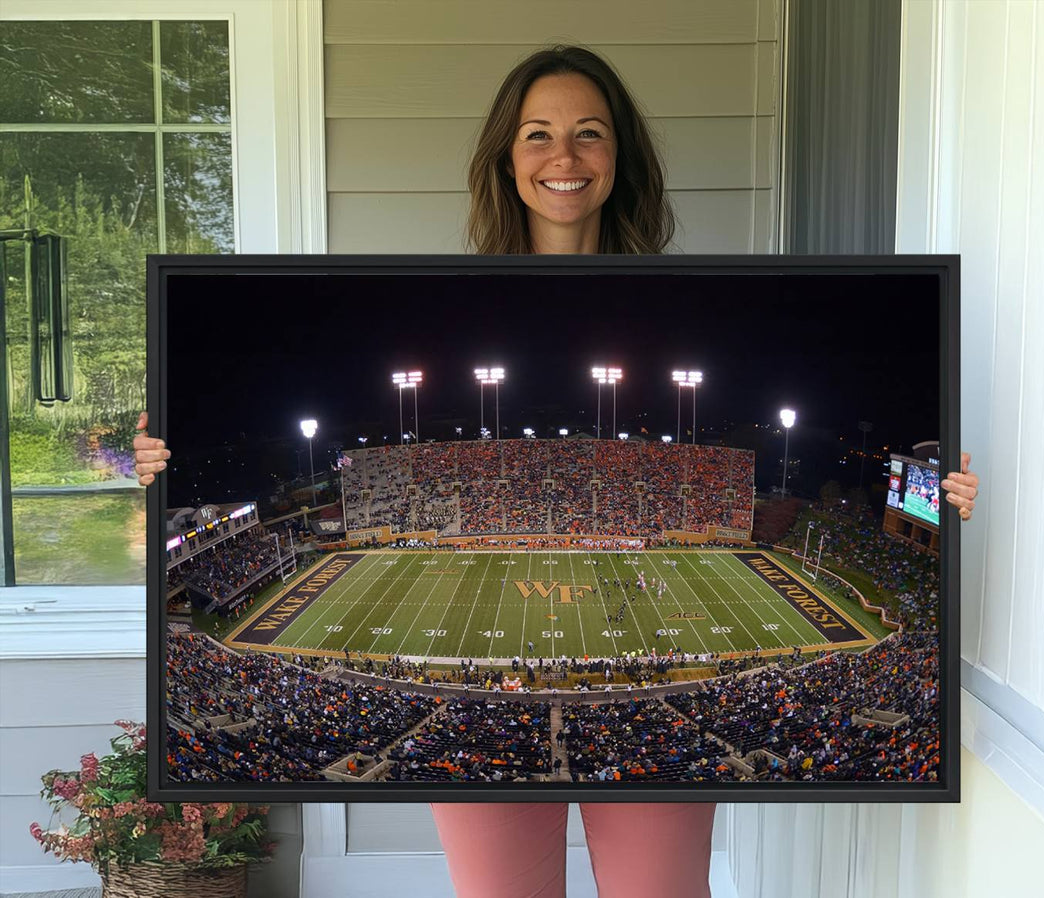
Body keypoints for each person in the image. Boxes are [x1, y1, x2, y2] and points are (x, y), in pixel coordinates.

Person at [134, 44, 981, 898]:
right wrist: (156, 471)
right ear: (507, 157)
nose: (563, 157)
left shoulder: (676, 295)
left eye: (590, 134)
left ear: (621, 158)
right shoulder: (446, 296)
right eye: (537, 134)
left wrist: (943, 502)